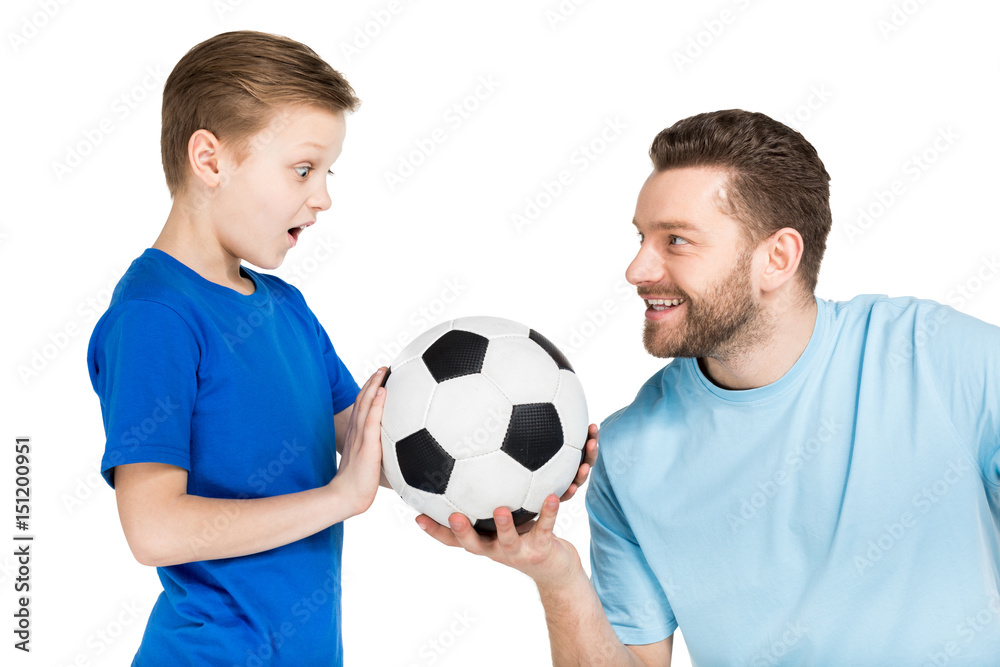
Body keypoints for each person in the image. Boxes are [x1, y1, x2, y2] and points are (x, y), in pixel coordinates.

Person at [419, 109, 1000, 665]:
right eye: (642, 237)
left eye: (675, 240)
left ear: (778, 257)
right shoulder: (629, 450)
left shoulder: (938, 358)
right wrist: (555, 572)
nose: (637, 270)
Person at [85, 30, 386, 665]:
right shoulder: (154, 316)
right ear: (211, 160)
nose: (323, 196)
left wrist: (514, 469)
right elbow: (153, 528)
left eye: (328, 173)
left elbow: (372, 445)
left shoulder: (285, 309)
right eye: (304, 169)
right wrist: (337, 499)